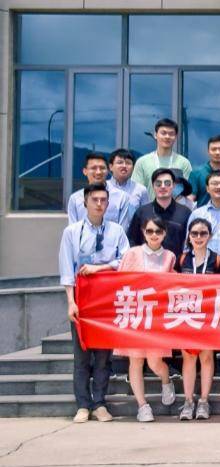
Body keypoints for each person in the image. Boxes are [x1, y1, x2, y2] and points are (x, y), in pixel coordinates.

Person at [59, 183, 130, 423]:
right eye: (95, 200)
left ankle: (99, 403)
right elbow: (67, 269)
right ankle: (82, 404)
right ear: (85, 202)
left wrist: (101, 267)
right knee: (81, 356)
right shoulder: (72, 232)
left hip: (107, 300)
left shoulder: (116, 231)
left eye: (103, 200)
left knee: (103, 357)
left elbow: (125, 260)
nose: (99, 204)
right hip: (83, 300)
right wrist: (71, 302)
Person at [117, 217, 177, 422]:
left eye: (158, 231)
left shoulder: (169, 256)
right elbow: (119, 280)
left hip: (157, 317)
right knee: (135, 360)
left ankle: (166, 380)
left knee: (154, 361)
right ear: (143, 232)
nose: (154, 235)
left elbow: (173, 282)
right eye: (150, 231)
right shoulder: (132, 254)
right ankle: (142, 406)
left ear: (164, 233)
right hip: (135, 314)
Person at [175, 218, 220, 421]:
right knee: (188, 358)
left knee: (207, 357)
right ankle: (188, 401)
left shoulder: (218, 260)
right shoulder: (182, 259)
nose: (199, 237)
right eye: (194, 233)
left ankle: (203, 400)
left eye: (203, 233)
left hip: (208, 315)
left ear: (209, 236)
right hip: (187, 314)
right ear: (189, 236)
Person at [128, 168, 191, 254]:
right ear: (153, 186)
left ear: (173, 186)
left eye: (167, 183)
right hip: (146, 261)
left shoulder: (185, 213)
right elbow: (132, 241)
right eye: (158, 183)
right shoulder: (142, 212)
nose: (163, 186)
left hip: (176, 262)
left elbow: (190, 242)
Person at [67, 152, 133, 227]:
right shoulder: (75, 199)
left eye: (102, 168)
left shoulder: (122, 198)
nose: (98, 172)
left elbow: (123, 230)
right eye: (93, 168)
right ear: (85, 171)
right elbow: (72, 230)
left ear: (108, 171)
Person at [132, 118, 193, 197]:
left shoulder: (184, 163)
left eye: (171, 134)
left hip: (176, 205)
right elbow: (136, 193)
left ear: (176, 137)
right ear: (155, 135)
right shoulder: (142, 162)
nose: (167, 136)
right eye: (163, 133)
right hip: (150, 205)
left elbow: (188, 193)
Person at [187, 134, 220, 204]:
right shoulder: (196, 173)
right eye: (214, 149)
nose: (217, 152)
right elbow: (190, 200)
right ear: (208, 151)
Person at [107, 148, 149, 213]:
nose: (124, 166)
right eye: (120, 162)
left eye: (128, 163)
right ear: (111, 167)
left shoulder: (141, 190)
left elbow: (146, 215)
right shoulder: (103, 187)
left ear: (133, 167)